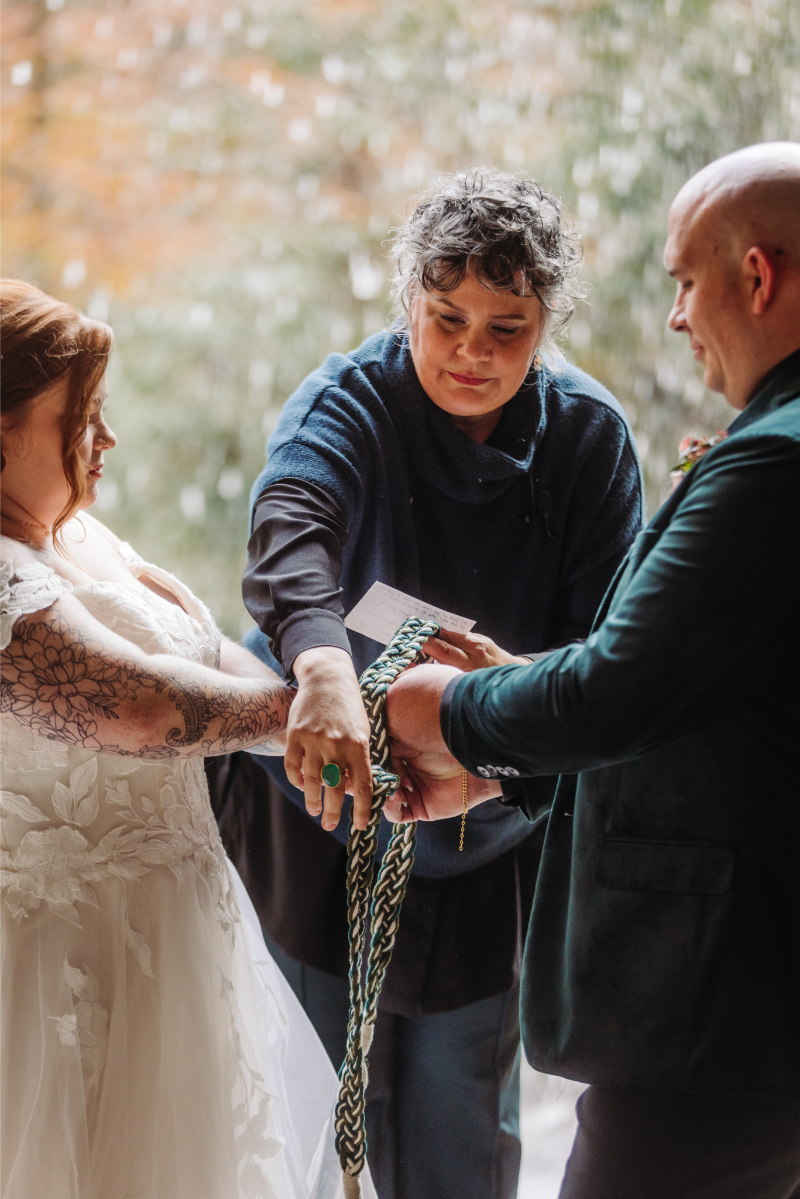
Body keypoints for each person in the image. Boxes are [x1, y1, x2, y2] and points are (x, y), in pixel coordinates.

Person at [381, 142, 800, 1199]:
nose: (673, 316)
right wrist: (508, 760)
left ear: (755, 277)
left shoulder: (773, 460)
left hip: (719, 1005)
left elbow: (617, 691)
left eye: (682, 280)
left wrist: (451, 707)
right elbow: (706, 702)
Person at [222, 168, 644, 1199]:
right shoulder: (347, 400)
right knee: (307, 1090)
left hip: (487, 811)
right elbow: (289, 533)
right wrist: (322, 664)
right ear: (407, 298)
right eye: (446, 317)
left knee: (460, 1111)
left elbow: (610, 650)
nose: (470, 351)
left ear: (546, 322)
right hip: (318, 791)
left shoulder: (588, 437)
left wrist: (497, 753)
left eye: (507, 328)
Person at [0, 280, 374, 1199]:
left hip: (176, 940)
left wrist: (358, 711)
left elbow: (214, 663)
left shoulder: (76, 536)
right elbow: (143, 708)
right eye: (82, 415)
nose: (106, 437)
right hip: (60, 971)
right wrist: (304, 717)